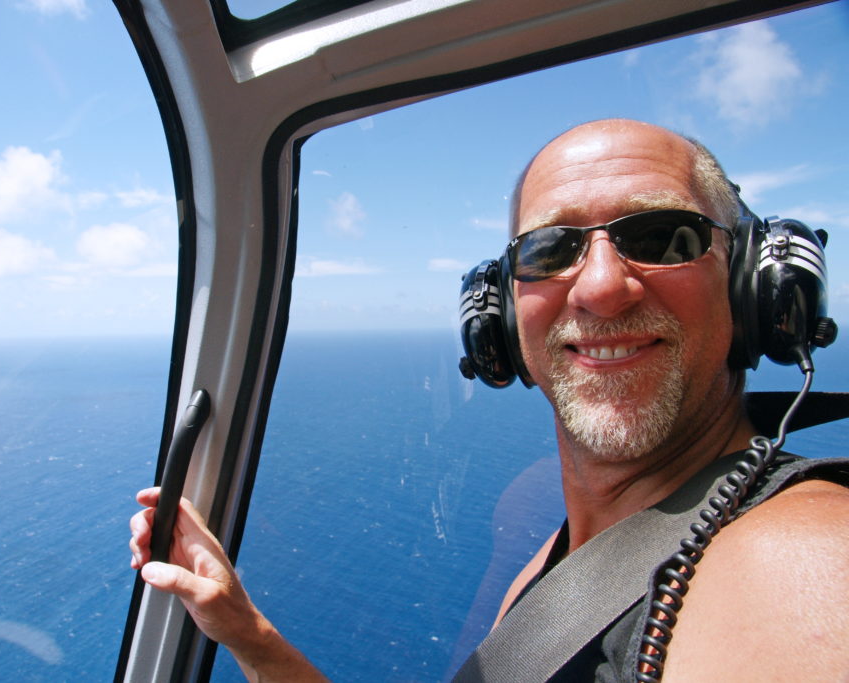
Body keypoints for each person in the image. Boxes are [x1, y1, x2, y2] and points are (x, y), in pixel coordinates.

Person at [129, 119, 849, 681]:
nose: (600, 286)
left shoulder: (798, 563)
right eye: (550, 251)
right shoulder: (542, 534)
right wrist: (244, 629)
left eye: (663, 237)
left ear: (757, 286)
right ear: (500, 318)